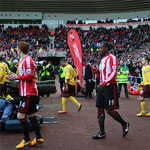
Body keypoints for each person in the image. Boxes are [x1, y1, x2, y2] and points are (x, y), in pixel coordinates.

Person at [6, 42, 44, 148]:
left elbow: (29, 75)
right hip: (28, 92)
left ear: (20, 49)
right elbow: (24, 75)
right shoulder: (23, 60)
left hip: (28, 92)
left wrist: (17, 77)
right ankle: (38, 137)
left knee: (20, 115)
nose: (16, 50)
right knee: (31, 115)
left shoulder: (27, 60)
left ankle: (26, 139)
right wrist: (15, 76)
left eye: (17, 49)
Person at [92, 42, 129, 139]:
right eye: (99, 48)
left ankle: (124, 124)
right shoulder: (102, 59)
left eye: (101, 48)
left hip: (109, 86)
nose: (99, 49)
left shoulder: (112, 58)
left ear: (106, 48)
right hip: (101, 87)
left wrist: (104, 82)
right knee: (100, 108)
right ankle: (102, 132)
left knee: (109, 110)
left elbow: (114, 72)